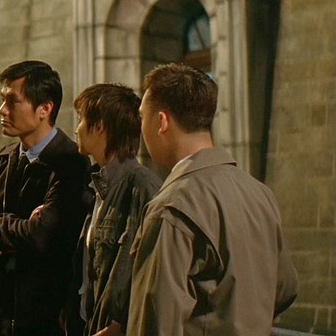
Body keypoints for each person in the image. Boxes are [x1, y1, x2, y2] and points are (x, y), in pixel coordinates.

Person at [128, 63, 298, 335]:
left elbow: (156, 321)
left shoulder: (172, 207)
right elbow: (285, 287)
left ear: (161, 122)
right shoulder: (259, 193)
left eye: (142, 117)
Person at [0, 60, 89, 335]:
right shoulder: (5, 157)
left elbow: (42, 239)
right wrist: (7, 249)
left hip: (43, 318)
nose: (2, 110)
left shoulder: (70, 162)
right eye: (2, 99)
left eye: (12, 101)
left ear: (45, 109)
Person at [69, 83, 161, 336]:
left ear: (99, 126)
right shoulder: (99, 186)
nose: (76, 129)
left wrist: (121, 323)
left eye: (80, 120)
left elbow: (148, 270)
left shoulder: (141, 187)